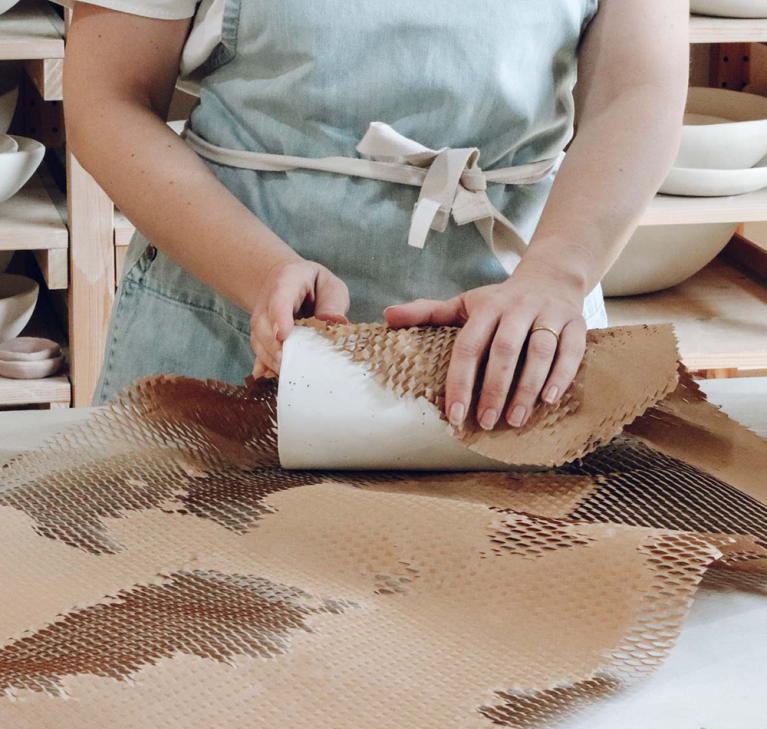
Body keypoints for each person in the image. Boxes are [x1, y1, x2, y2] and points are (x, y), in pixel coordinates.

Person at [63, 0, 688, 430]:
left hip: (516, 332)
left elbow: (638, 89)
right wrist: (259, 274)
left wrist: (557, 274)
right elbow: (108, 97)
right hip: (226, 327)